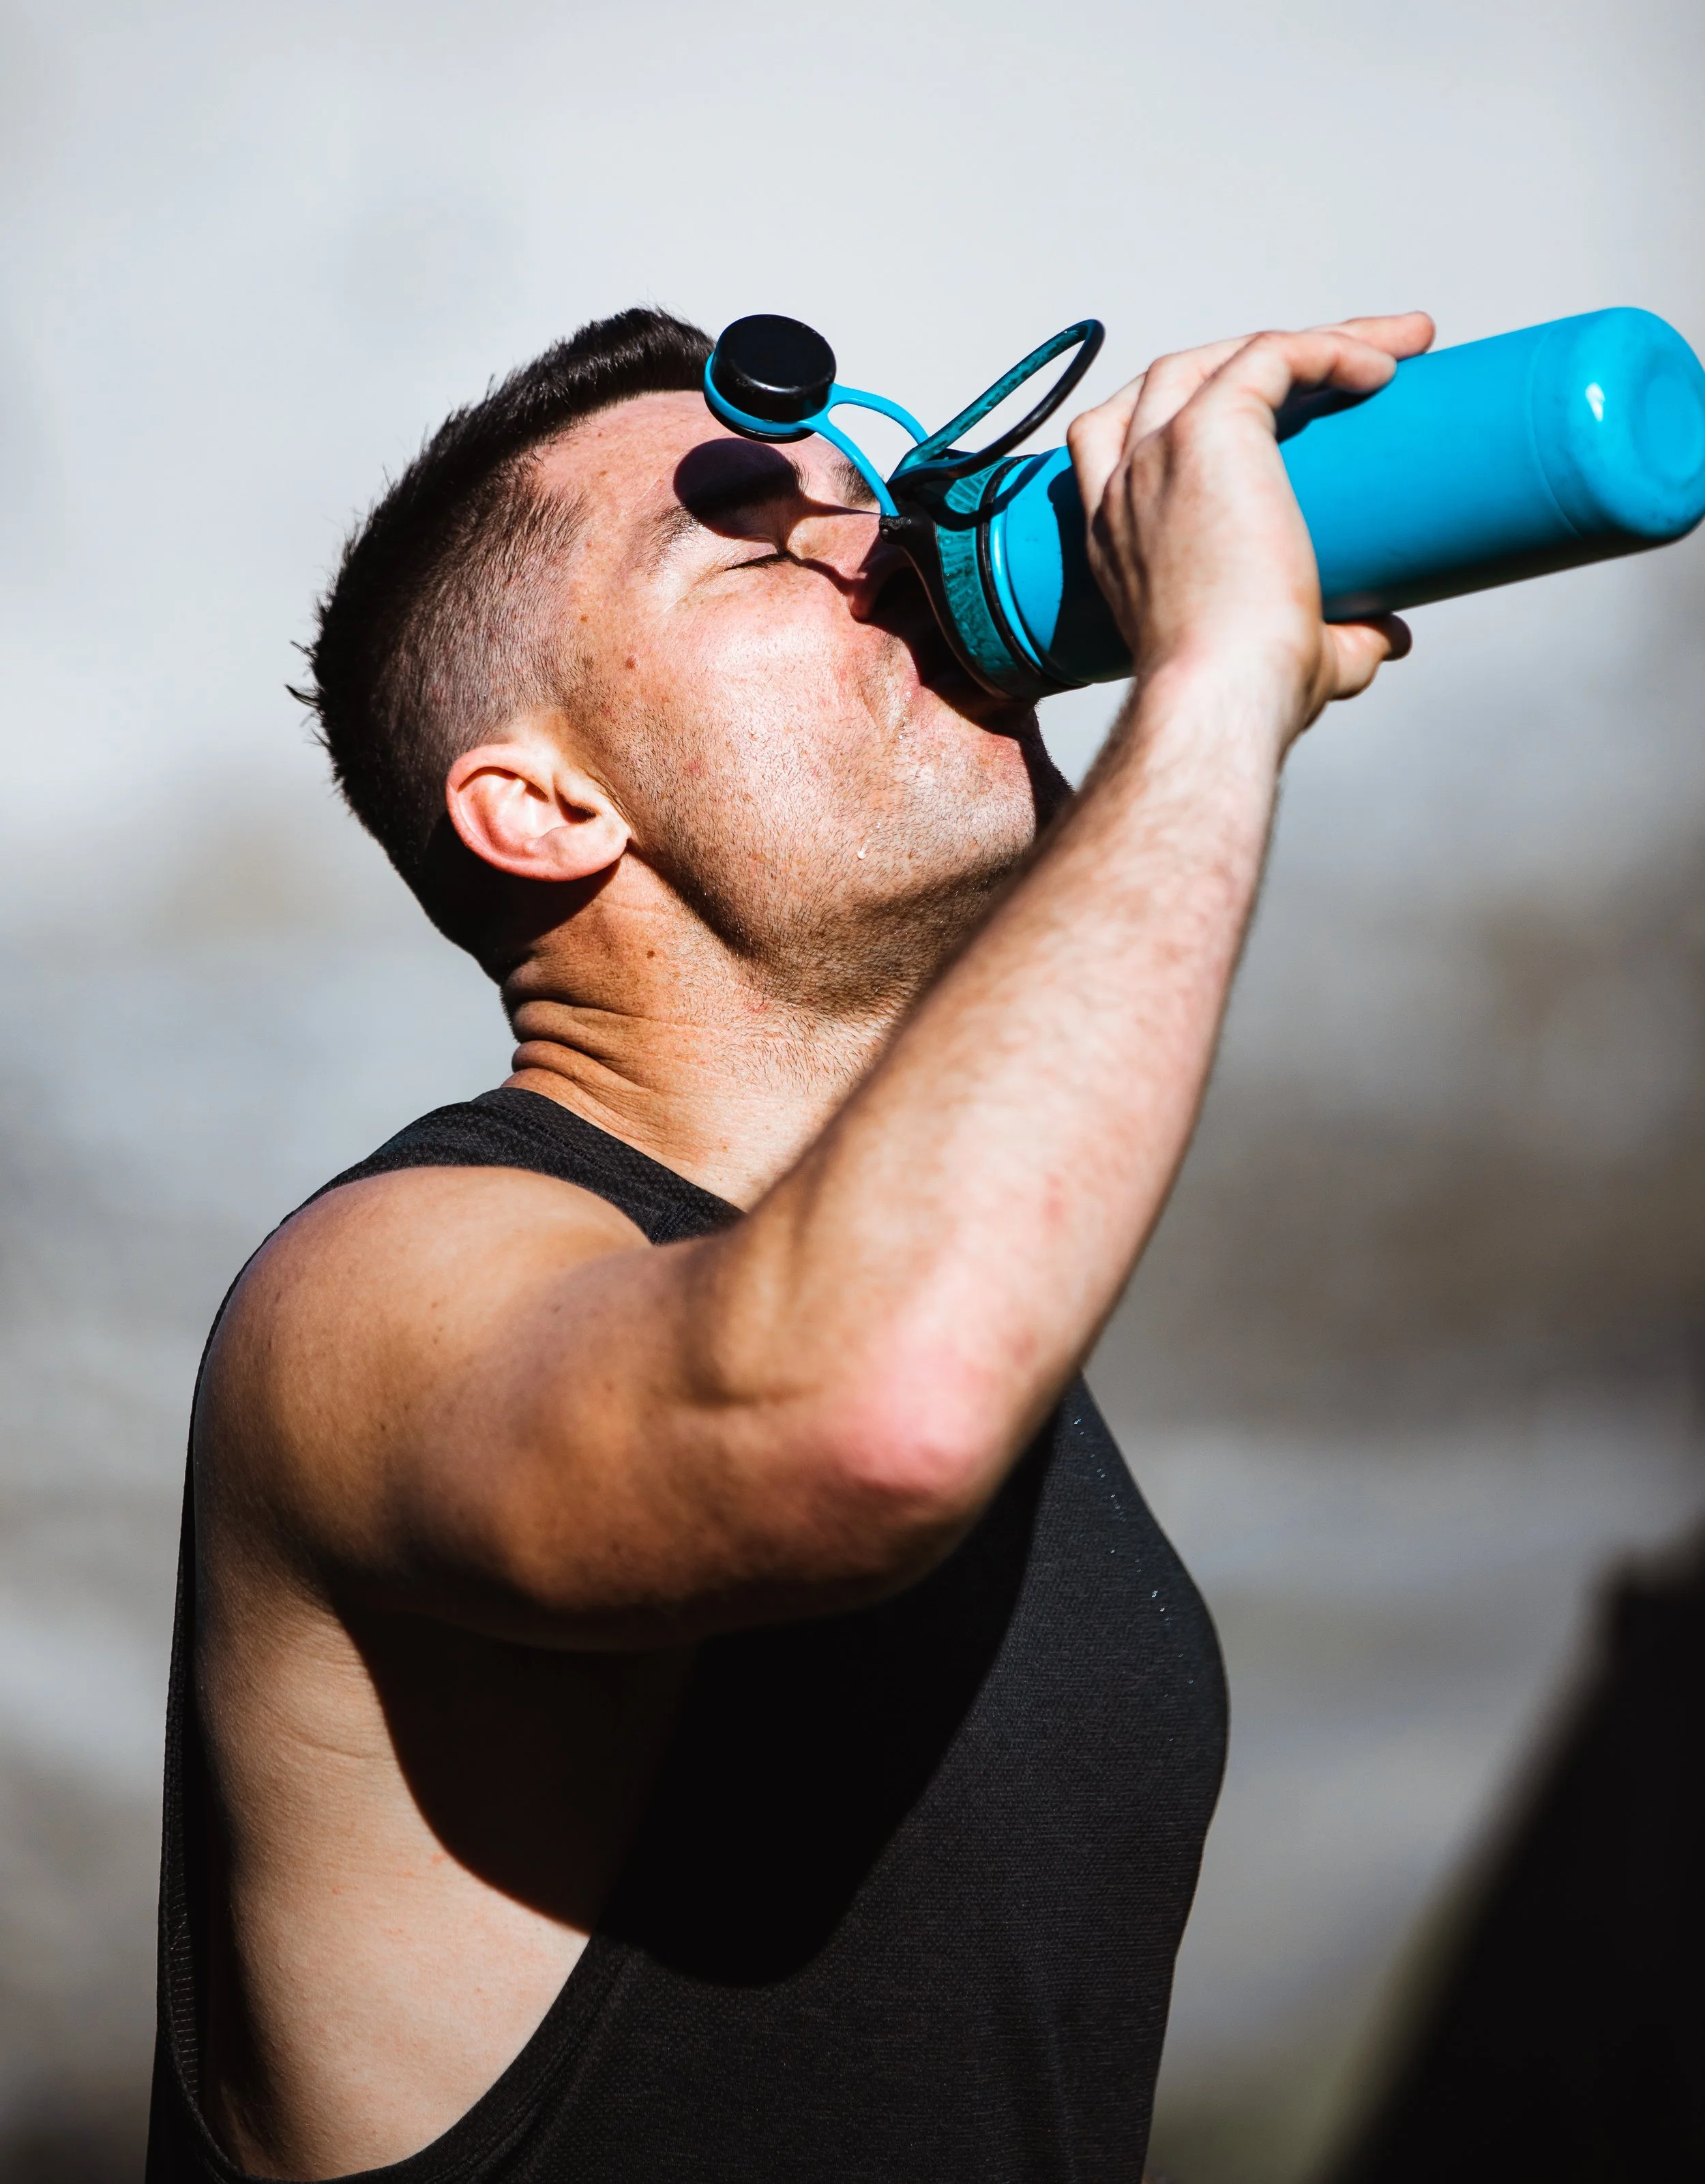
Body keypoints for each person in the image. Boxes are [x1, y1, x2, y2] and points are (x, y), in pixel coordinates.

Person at [145, 301, 1429, 2184]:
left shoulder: (947, 1291)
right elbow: (858, 1419)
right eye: (755, 539)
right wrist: (1211, 689)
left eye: (881, 493)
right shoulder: (368, 1296)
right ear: (542, 804)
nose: (892, 544)